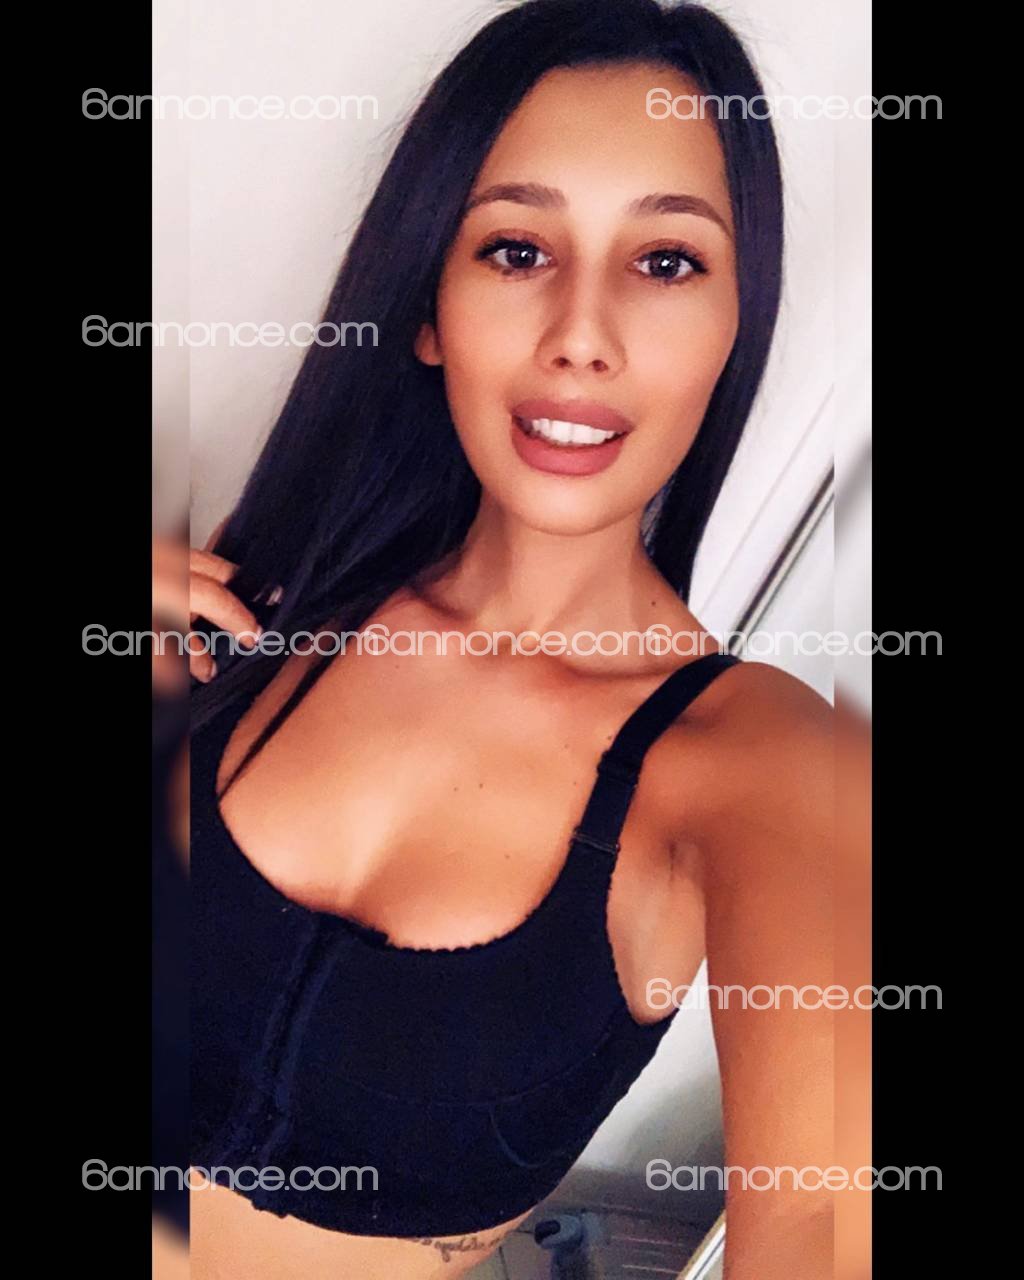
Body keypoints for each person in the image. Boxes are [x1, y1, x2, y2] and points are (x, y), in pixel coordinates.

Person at [186, 2, 835, 1277]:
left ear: (733, 328)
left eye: (665, 262)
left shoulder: (764, 759)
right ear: (428, 308)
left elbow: (822, 1218)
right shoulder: (265, 600)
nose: (580, 335)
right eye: (517, 248)